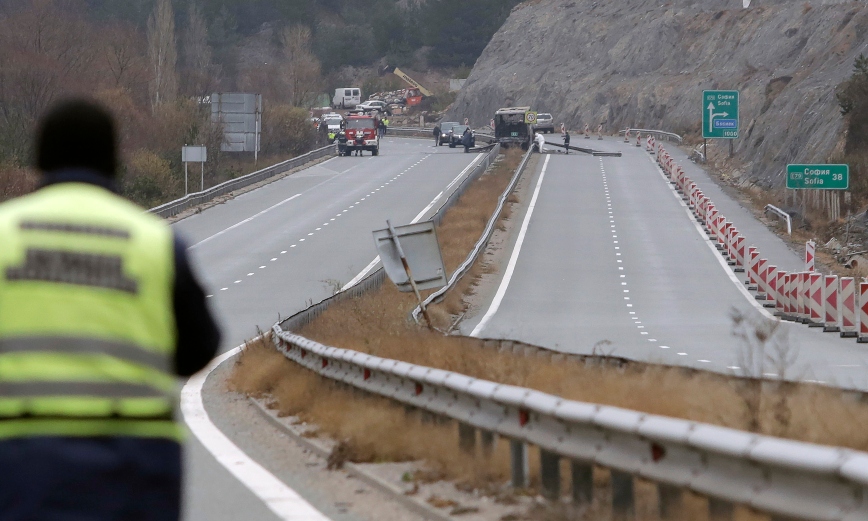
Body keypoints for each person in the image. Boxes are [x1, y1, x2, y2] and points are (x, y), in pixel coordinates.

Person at [0, 99, 221, 520]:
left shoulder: (4, 233)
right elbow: (199, 348)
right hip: (134, 464)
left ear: (40, 159)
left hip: (19, 458)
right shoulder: (154, 241)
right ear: (113, 160)